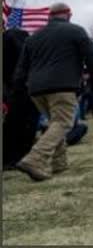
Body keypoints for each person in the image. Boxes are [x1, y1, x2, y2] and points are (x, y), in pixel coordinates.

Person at [13, 2, 93, 181]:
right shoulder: (76, 31)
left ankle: (59, 164)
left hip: (35, 89)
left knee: (55, 123)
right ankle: (35, 159)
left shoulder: (33, 36)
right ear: (68, 15)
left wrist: (19, 88)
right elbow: (91, 57)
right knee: (63, 123)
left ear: (49, 17)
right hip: (62, 86)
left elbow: (21, 69)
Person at [3, 28, 39, 170]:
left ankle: (11, 157)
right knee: (24, 123)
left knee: (14, 124)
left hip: (13, 87)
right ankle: (18, 156)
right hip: (22, 87)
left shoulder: (11, 38)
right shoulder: (17, 38)